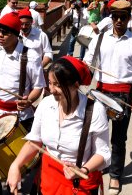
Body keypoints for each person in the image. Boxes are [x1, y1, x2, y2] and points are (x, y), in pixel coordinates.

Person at [7, 56, 110, 194]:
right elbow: (34, 141)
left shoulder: (94, 110)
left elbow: (102, 152)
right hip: (48, 177)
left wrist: (83, 170)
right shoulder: (46, 104)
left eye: (58, 85)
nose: (52, 89)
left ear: (76, 85)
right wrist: (16, 166)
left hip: (79, 183)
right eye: (50, 83)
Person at [84, 0, 132, 194]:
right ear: (111, 17)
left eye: (122, 17)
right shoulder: (100, 39)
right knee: (95, 134)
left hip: (123, 94)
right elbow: (86, 63)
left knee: (118, 138)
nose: (118, 20)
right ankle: (97, 165)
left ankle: (115, 175)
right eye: (114, 17)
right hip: (99, 93)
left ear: (128, 18)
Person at [0, 12, 46, 130]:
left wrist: (29, 101)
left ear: (16, 34)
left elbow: (38, 86)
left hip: (20, 116)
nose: (0, 35)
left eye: (4, 33)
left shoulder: (31, 56)